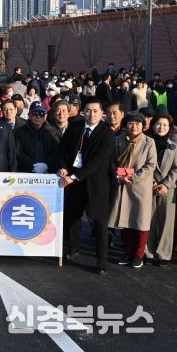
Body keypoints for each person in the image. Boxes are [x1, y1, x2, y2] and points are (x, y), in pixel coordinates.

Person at [58, 97, 116, 275]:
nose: (91, 114)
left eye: (95, 111)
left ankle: (101, 261)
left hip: (96, 183)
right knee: (73, 217)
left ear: (102, 113)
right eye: (88, 111)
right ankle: (73, 248)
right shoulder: (75, 127)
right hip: (74, 182)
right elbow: (62, 150)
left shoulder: (107, 134)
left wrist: (74, 177)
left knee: (100, 222)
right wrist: (62, 166)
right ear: (83, 112)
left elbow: (99, 161)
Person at [109, 112, 157, 268]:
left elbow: (150, 165)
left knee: (141, 222)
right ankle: (128, 252)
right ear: (126, 125)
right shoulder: (118, 140)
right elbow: (112, 161)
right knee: (125, 221)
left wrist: (133, 178)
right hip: (122, 185)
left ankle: (139, 255)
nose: (134, 126)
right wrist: (118, 175)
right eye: (131, 123)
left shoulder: (149, 142)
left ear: (143, 126)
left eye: (138, 123)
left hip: (140, 187)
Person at [146, 115, 177, 266]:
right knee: (148, 221)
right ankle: (148, 253)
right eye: (158, 124)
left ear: (169, 128)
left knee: (166, 223)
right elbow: (142, 164)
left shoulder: (174, 146)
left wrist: (166, 185)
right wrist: (151, 182)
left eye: (165, 125)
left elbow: (176, 168)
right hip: (148, 187)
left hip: (168, 189)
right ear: (153, 125)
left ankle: (164, 254)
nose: (161, 127)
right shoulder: (147, 143)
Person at [15, 101, 61, 174]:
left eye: (41, 113)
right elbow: (17, 151)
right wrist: (32, 165)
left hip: (49, 173)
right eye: (35, 113)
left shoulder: (53, 132)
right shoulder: (20, 131)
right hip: (26, 172)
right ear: (29, 115)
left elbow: (57, 151)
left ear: (46, 116)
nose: (38, 116)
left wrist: (46, 164)